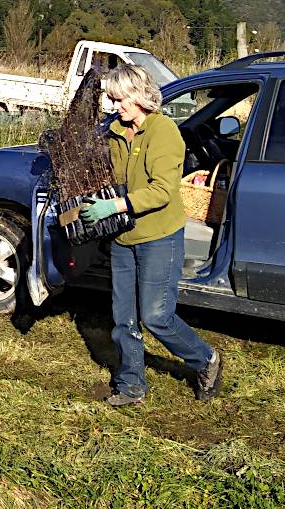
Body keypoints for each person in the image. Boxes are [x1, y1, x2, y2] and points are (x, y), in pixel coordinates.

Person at [79, 64, 223, 406]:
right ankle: (131, 385)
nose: (115, 106)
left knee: (156, 316)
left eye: (119, 99)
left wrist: (114, 206)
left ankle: (205, 360)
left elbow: (161, 191)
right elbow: (109, 177)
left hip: (159, 235)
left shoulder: (164, 132)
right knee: (123, 317)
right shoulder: (114, 132)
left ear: (139, 94)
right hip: (123, 238)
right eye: (111, 100)